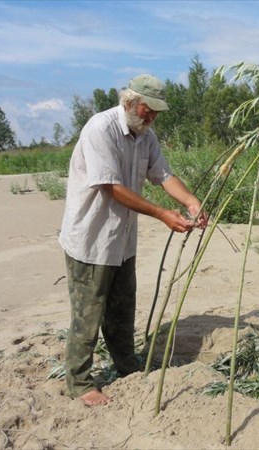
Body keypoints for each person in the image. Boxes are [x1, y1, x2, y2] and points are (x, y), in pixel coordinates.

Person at [59, 73, 207, 406]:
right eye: (146, 109)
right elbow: (112, 188)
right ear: (128, 102)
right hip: (92, 240)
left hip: (122, 242)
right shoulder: (101, 129)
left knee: (123, 311)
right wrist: (162, 214)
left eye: (155, 112)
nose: (151, 116)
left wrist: (190, 202)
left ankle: (126, 366)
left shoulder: (146, 136)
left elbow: (163, 175)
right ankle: (80, 382)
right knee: (88, 313)